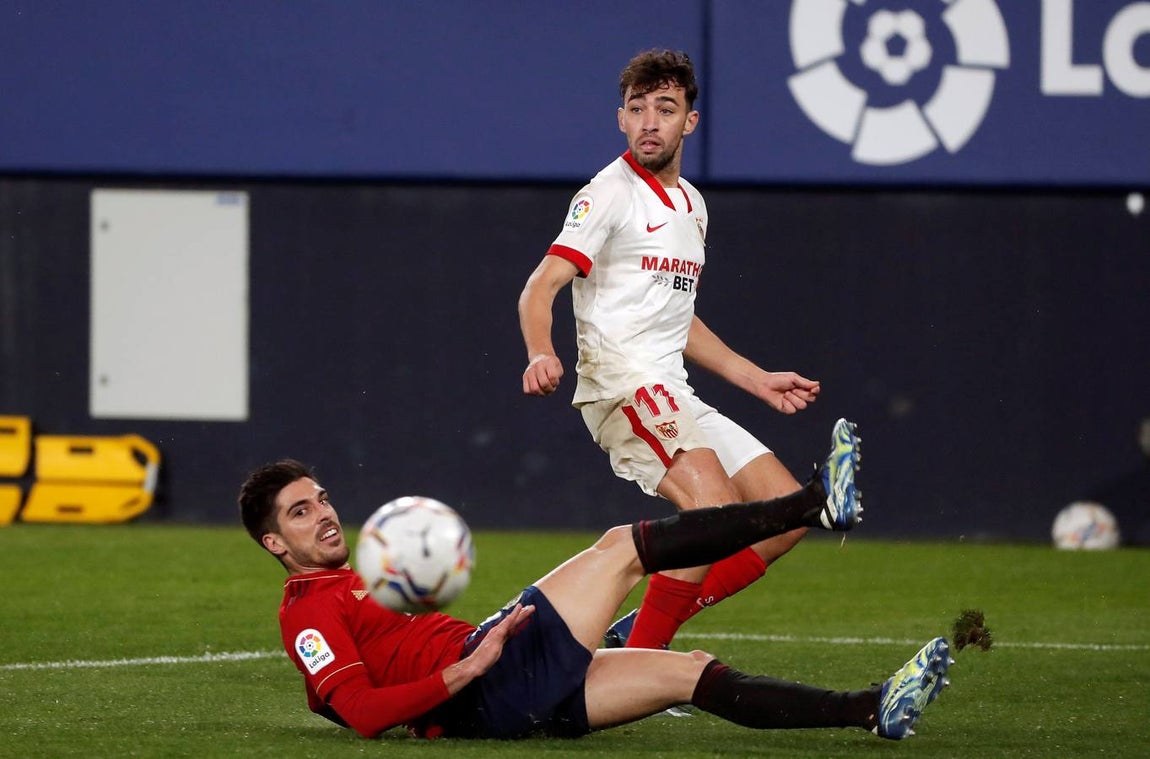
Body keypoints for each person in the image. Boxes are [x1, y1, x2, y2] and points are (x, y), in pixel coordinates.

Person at [238, 421, 952, 741]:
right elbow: (360, 711)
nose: (325, 514)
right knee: (621, 548)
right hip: (490, 679)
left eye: (323, 497)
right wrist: (470, 667)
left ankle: (869, 709)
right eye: (301, 512)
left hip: (502, 691)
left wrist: (473, 656)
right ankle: (811, 505)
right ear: (274, 542)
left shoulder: (355, 577)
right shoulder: (306, 613)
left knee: (688, 673)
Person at [518, 49, 827, 650]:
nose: (650, 122)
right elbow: (540, 285)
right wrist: (538, 350)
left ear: (690, 121)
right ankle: (639, 659)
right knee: (710, 510)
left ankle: (642, 633)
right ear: (620, 119)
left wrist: (754, 377)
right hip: (622, 385)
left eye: (666, 108)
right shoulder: (606, 194)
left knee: (786, 513)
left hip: (670, 388)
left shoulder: (692, 205)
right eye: (638, 109)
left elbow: (676, 318)